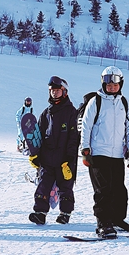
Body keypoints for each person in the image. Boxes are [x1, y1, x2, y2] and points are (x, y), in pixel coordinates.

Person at [79, 66, 129, 239]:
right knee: (103, 190)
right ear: (103, 84)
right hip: (98, 153)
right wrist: (85, 150)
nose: (112, 88)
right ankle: (103, 223)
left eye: (115, 85)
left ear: (121, 84)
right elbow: (86, 127)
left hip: (117, 154)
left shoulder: (124, 103)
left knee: (119, 190)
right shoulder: (95, 101)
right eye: (109, 85)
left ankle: (117, 219)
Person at [28, 76, 78, 225]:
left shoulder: (71, 112)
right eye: (52, 91)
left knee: (65, 187)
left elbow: (74, 137)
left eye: (57, 90)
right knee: (43, 185)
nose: (54, 93)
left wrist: (69, 159)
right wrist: (35, 155)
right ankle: (40, 213)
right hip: (47, 158)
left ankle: (65, 213)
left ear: (64, 92)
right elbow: (37, 136)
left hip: (64, 159)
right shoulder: (46, 113)